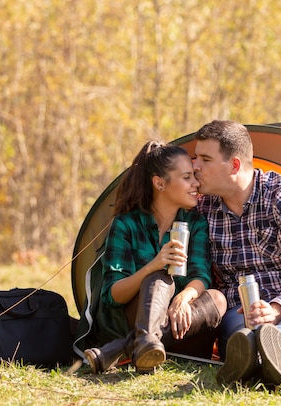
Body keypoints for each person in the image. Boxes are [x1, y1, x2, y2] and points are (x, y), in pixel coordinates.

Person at [193, 120, 281, 392]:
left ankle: (273, 353)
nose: (195, 166)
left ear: (234, 165)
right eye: (195, 158)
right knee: (239, 335)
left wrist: (277, 308)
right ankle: (262, 359)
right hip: (239, 311)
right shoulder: (202, 208)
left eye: (205, 159)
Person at [80, 140, 227, 374]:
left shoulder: (194, 223)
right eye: (187, 177)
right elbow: (113, 295)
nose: (196, 183)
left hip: (181, 322)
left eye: (194, 176)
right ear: (159, 183)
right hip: (131, 316)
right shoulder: (126, 224)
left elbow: (200, 274)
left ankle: (124, 349)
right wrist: (153, 265)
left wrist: (185, 297)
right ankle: (142, 342)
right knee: (158, 278)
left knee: (218, 298)